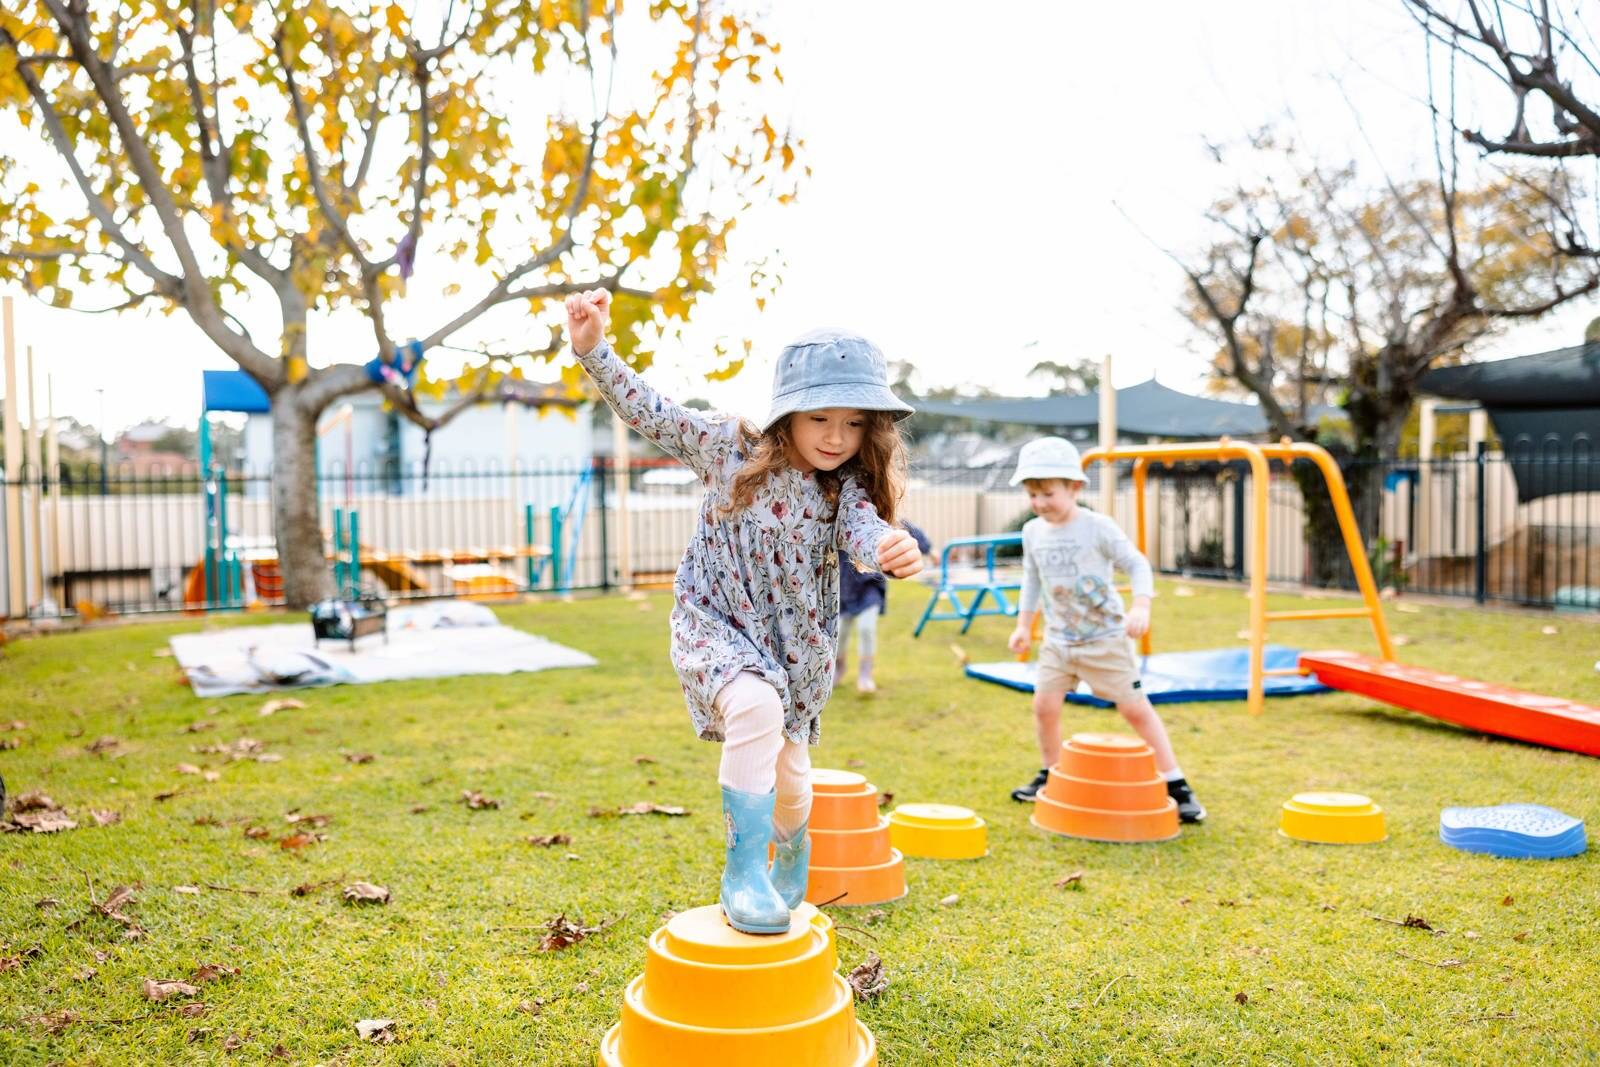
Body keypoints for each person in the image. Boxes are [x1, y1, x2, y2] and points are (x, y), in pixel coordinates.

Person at [566, 290, 924, 934]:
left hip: (796, 650)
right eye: (820, 420)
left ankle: (789, 848)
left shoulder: (846, 489)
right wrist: (594, 350)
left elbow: (865, 533)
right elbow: (652, 412)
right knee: (754, 707)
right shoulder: (727, 447)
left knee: (791, 773)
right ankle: (743, 870)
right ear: (787, 415)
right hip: (715, 622)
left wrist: (890, 549)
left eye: (853, 423)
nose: (837, 438)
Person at [1004, 437, 1205, 822]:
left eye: (1047, 493)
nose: (1039, 502)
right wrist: (1023, 628)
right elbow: (1032, 581)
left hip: (1104, 639)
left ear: (1075, 487)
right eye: (1032, 495)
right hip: (1059, 642)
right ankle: (1052, 773)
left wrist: (1141, 606)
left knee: (1135, 710)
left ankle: (1176, 784)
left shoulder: (1097, 527)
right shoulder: (1033, 532)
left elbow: (1137, 564)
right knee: (1044, 707)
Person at [836, 521, 931, 694]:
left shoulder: (880, 517)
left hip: (869, 586)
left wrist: (929, 549)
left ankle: (865, 674)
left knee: (866, 628)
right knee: (840, 633)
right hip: (845, 587)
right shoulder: (841, 515)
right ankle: (839, 668)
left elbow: (909, 531)